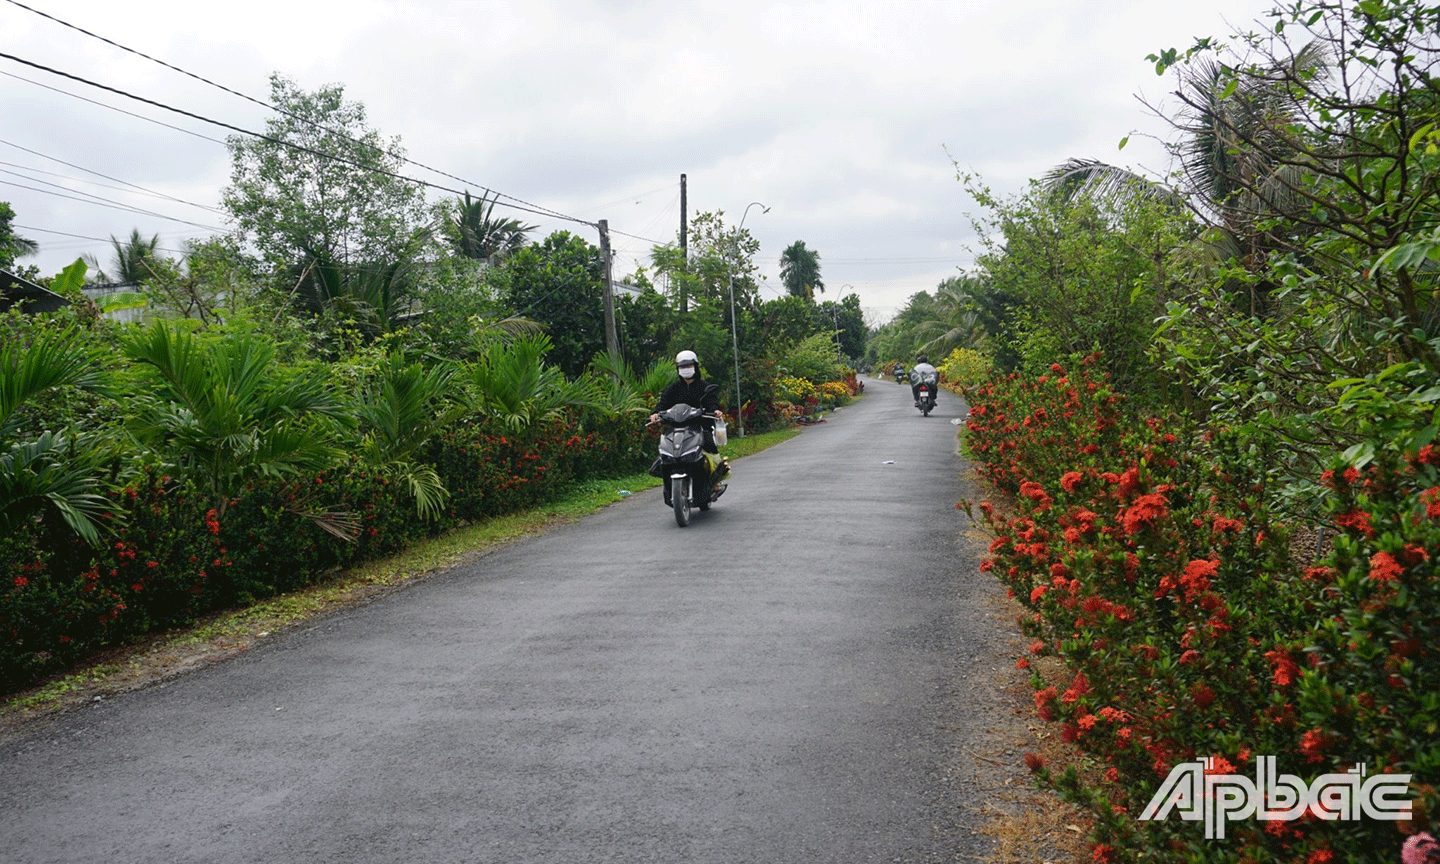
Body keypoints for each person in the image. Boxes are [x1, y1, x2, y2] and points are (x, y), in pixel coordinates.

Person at [648, 350, 728, 505]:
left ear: (695, 366)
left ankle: (714, 482)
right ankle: (668, 483)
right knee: (665, 451)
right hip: (676, 428)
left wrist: (715, 410)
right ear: (678, 368)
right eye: (682, 366)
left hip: (699, 427)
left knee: (710, 445)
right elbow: (662, 404)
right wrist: (655, 414)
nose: (686, 368)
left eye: (689, 365)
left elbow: (712, 402)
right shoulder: (673, 388)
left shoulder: (704, 387)